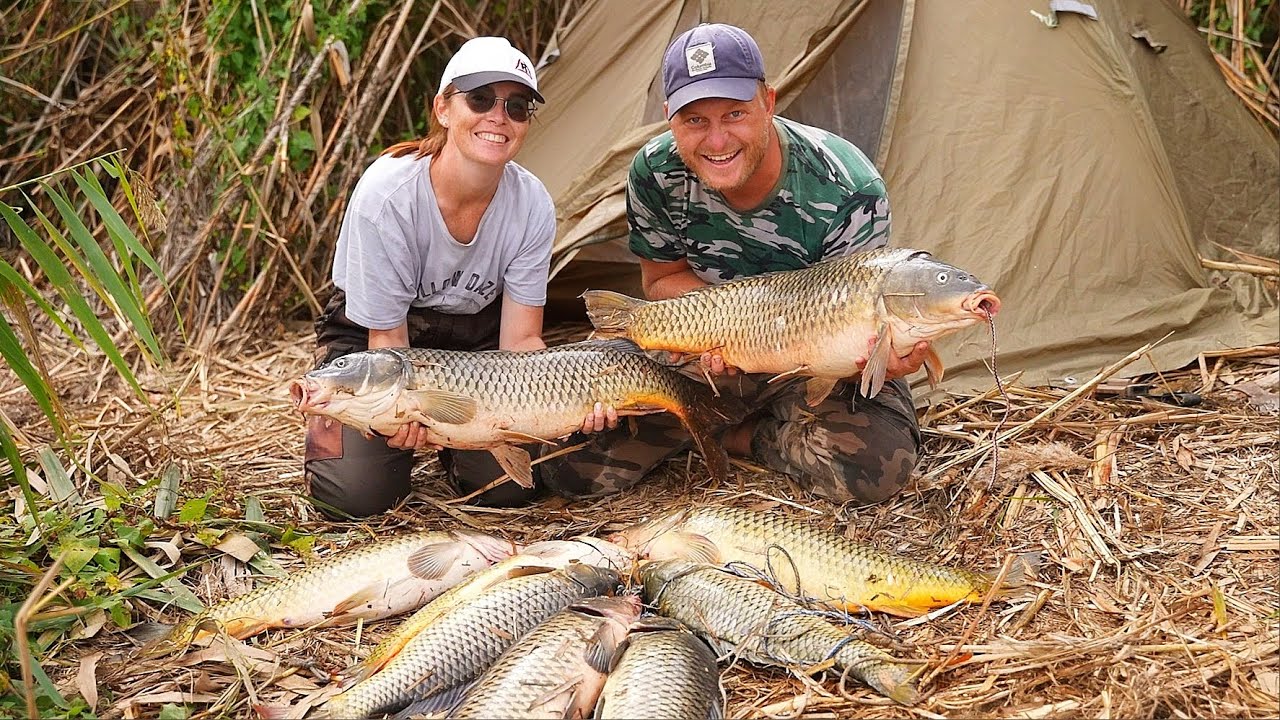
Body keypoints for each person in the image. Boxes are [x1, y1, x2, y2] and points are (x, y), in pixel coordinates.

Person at [539, 23, 927, 506]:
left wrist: (881, 361)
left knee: (874, 467)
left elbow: (852, 323)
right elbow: (660, 279)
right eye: (694, 120)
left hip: (810, 363)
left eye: (735, 114)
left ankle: (737, 435)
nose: (717, 140)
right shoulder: (655, 172)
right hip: (706, 354)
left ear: (769, 102)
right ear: (668, 118)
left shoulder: (848, 185)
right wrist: (714, 330)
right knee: (570, 468)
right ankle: (706, 415)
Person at [305, 36, 610, 517]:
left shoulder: (532, 204)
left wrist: (569, 405)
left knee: (510, 493)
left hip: (478, 351)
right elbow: (389, 342)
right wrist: (405, 413)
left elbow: (522, 342)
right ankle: (406, 451)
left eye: (517, 106)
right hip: (378, 346)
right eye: (481, 99)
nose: (498, 116)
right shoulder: (387, 194)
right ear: (443, 108)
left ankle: (459, 453)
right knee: (353, 499)